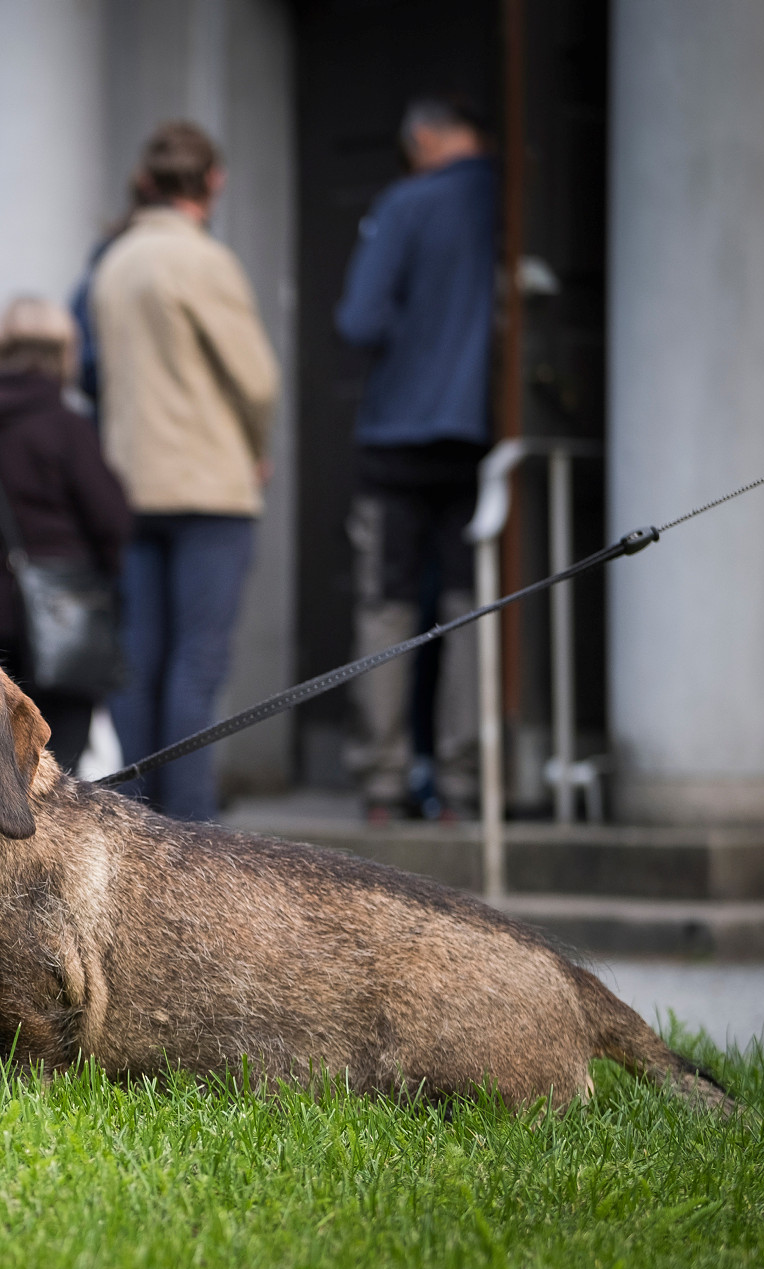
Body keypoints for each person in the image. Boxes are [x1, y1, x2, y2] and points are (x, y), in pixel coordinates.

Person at [91, 121, 280, 821]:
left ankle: (137, 827)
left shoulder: (113, 262)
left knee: (137, 664)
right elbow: (258, 380)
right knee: (197, 665)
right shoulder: (204, 261)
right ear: (214, 183)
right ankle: (193, 828)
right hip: (208, 487)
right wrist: (255, 446)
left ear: (146, 182)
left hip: (131, 484)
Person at [335, 97, 496, 823]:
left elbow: (359, 319)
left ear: (423, 138)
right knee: (474, 606)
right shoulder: (512, 199)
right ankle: (464, 784)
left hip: (397, 433)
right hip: (483, 433)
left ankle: (382, 779)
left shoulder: (406, 202)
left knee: (386, 606)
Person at [0, 297, 130, 774]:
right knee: (60, 763)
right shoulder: (66, 425)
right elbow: (111, 518)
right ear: (62, 352)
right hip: (65, 610)